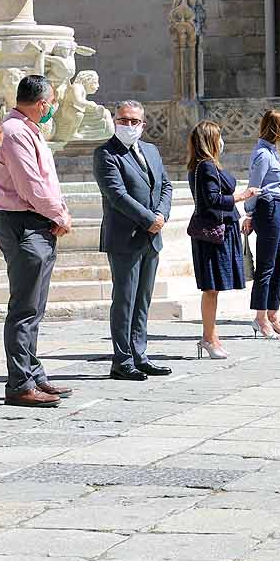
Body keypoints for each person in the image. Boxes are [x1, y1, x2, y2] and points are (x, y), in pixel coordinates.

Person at [0, 75, 73, 408]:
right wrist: (59, 215)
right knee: (24, 308)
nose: (53, 107)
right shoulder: (14, 133)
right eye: (51, 102)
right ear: (41, 103)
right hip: (24, 223)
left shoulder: (28, 131)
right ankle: (20, 382)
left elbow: (45, 181)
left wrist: (58, 211)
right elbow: (31, 186)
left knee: (34, 307)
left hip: (35, 222)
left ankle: (33, 373)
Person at [94, 101, 173, 380]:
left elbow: (165, 185)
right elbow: (116, 194)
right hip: (125, 237)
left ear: (143, 124)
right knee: (125, 299)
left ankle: (140, 354)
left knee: (143, 299)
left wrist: (161, 215)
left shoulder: (151, 150)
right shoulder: (106, 153)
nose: (128, 125)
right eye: (123, 120)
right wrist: (148, 219)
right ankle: (122, 360)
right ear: (115, 121)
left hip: (152, 237)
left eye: (134, 121)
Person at [187, 121, 258, 358]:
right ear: (210, 141)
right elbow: (212, 200)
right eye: (219, 137)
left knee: (213, 288)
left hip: (218, 232)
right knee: (211, 288)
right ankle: (209, 337)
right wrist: (242, 196)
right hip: (213, 235)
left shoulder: (203, 166)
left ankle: (211, 335)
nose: (221, 141)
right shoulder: (206, 166)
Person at [248, 110, 280, 338]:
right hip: (267, 208)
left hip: (277, 208)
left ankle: (272, 312)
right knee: (266, 265)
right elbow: (254, 187)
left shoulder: (272, 152)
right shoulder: (262, 155)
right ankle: (260, 316)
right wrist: (249, 213)